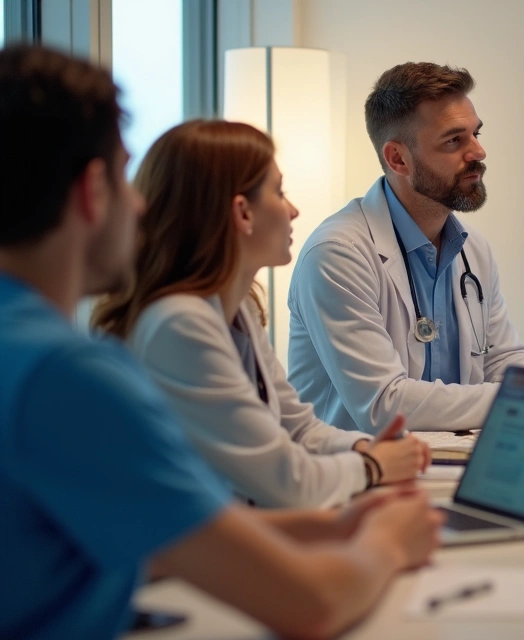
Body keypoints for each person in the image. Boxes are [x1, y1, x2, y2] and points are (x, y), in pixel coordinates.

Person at [0, 45, 442, 639]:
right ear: (91, 190)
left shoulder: (26, 353)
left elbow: (157, 540)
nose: (140, 207)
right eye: (125, 177)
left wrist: (334, 527)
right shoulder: (67, 376)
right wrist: (387, 541)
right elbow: (312, 606)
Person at [287, 62, 524, 433]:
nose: (478, 153)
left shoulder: (472, 249)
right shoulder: (337, 254)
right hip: (354, 481)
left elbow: (500, 362)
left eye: (476, 134)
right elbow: (385, 404)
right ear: (398, 158)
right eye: (454, 140)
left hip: (444, 468)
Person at [92, 120, 431, 508]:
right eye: (279, 192)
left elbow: (298, 429)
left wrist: (369, 446)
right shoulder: (180, 324)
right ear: (243, 213)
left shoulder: (237, 310)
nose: (293, 210)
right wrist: (372, 465)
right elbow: (287, 482)